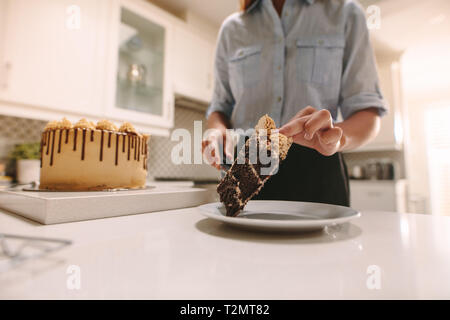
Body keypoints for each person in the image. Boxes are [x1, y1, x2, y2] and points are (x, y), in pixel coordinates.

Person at [203, 0, 387, 206]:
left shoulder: (347, 14)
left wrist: (336, 139)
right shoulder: (231, 29)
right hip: (244, 172)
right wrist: (217, 132)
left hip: (318, 169)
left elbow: (368, 113)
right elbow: (220, 107)